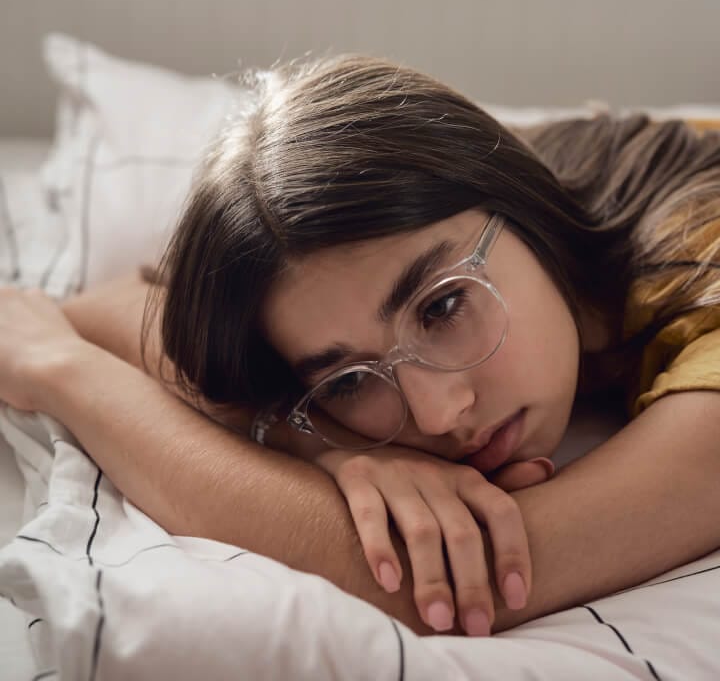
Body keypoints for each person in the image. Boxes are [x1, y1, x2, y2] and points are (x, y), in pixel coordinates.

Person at [1, 54, 720, 639]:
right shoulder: (466, 203)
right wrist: (319, 442)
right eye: (349, 380)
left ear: (523, 201)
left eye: (442, 307)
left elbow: (469, 579)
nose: (438, 416)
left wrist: (64, 374)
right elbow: (124, 304)